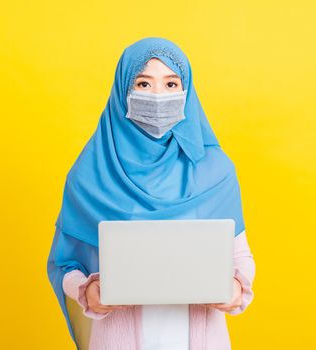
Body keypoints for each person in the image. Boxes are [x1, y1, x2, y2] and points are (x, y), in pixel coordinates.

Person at [47, 37, 256, 350]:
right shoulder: (89, 174)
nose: (158, 95)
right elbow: (65, 264)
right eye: (143, 84)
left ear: (187, 91)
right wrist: (86, 290)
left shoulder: (215, 171)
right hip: (117, 340)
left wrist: (237, 288)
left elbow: (240, 255)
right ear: (122, 91)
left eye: (171, 85)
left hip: (200, 340)